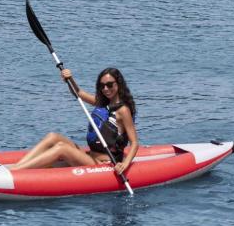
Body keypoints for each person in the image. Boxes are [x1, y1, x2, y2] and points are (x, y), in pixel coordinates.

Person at [11, 67, 139, 175]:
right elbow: (78, 93)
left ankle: (14, 172)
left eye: (110, 85)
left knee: (62, 148)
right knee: (53, 137)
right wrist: (69, 78)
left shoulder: (123, 110)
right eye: (102, 86)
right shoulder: (102, 103)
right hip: (90, 156)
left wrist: (124, 165)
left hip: (103, 163)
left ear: (118, 84)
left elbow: (134, 143)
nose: (105, 89)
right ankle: (18, 167)